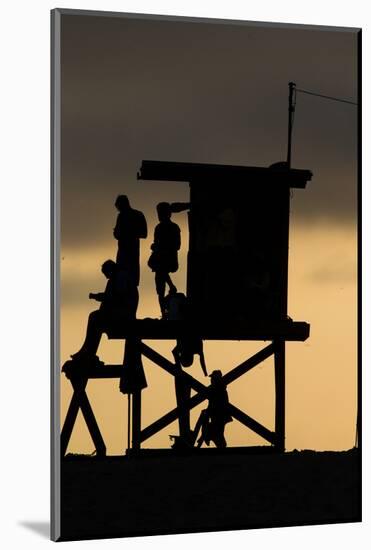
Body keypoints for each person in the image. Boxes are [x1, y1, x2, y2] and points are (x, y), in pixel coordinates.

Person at [71, 260, 138, 361]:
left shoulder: (121, 277)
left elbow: (116, 297)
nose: (106, 277)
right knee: (95, 319)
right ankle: (87, 351)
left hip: (123, 314)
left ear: (110, 270)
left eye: (106, 274)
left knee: (95, 318)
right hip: (119, 312)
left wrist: (98, 296)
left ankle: (88, 351)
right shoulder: (116, 278)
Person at [148, 202, 181, 317]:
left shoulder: (172, 227)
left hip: (167, 260)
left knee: (160, 284)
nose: (159, 215)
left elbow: (177, 245)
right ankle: (163, 311)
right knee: (160, 287)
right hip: (161, 260)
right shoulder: (160, 227)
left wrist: (161, 247)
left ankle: (163, 311)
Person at [113, 195, 147, 286]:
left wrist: (126, 233)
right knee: (126, 279)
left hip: (129, 253)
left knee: (127, 279)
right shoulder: (136, 214)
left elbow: (144, 234)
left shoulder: (127, 216)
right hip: (128, 252)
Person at [197, 370, 232, 448]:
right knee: (217, 433)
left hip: (219, 416)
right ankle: (209, 438)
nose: (211, 380)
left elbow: (215, 404)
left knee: (217, 433)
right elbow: (213, 404)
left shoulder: (218, 390)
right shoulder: (220, 389)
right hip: (219, 416)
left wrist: (208, 411)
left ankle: (209, 438)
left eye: (213, 378)